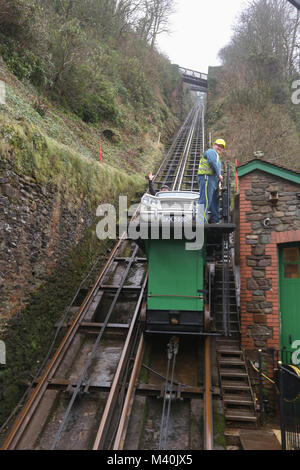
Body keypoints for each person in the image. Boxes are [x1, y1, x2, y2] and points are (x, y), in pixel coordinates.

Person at [197, 139, 225, 224]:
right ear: (214, 145)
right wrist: (219, 174)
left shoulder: (217, 156)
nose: (219, 148)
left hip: (212, 180)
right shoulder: (211, 152)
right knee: (205, 200)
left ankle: (215, 220)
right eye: (218, 145)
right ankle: (202, 222)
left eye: (222, 147)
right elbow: (212, 162)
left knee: (214, 201)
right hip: (207, 178)